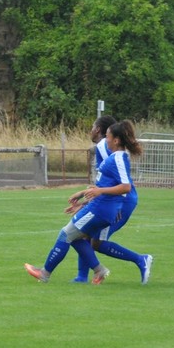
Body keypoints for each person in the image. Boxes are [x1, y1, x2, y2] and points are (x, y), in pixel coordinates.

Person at [25, 120, 153, 284]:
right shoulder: (114, 157)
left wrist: (100, 192)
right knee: (78, 238)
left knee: (66, 234)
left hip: (100, 209)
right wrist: (83, 194)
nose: (105, 140)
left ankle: (44, 274)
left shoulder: (119, 158)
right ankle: (98, 270)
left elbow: (126, 187)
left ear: (116, 140)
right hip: (98, 206)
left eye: (107, 137)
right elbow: (104, 184)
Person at [67, 115, 139, 283]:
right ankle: (85, 275)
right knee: (87, 237)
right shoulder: (107, 147)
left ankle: (84, 275)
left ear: (98, 130)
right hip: (115, 198)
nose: (90, 130)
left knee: (85, 236)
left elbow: (117, 180)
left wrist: (117, 204)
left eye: (92, 127)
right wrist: (86, 201)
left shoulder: (103, 147)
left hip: (117, 199)